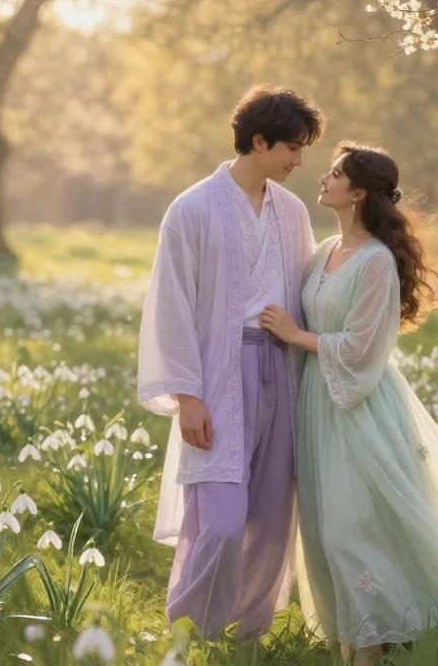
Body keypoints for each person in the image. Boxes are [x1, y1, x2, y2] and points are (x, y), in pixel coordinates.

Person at [260, 142, 438, 664]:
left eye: (336, 173)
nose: (323, 177)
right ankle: (353, 643)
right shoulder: (322, 252)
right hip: (320, 402)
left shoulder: (376, 263)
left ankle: (372, 649)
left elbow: (365, 346)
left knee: (351, 525)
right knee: (323, 525)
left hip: (358, 405)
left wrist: (296, 335)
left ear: (359, 191)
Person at [137, 84, 324, 639]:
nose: (298, 161)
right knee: (218, 521)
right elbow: (171, 303)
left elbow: (308, 294)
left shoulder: (291, 212)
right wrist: (187, 396)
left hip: (283, 373)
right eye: (291, 147)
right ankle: (189, 629)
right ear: (258, 140)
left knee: (271, 516)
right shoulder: (191, 208)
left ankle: (247, 633)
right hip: (218, 377)